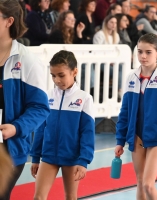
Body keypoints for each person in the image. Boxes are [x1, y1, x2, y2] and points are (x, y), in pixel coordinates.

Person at [114, 33, 157, 200]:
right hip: (136, 136)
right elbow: (125, 112)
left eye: (148, 52)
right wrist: (120, 140)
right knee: (140, 181)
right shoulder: (132, 77)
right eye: (140, 51)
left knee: (148, 185)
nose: (143, 56)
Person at [0, 0, 50, 199]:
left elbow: (40, 108)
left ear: (9, 21)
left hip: (10, 148)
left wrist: (16, 128)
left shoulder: (27, 60)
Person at [30, 50, 95, 200]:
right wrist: (35, 157)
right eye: (53, 75)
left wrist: (83, 160)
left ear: (74, 72)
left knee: (70, 197)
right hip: (48, 156)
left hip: (72, 157)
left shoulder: (84, 99)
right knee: (38, 197)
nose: (57, 80)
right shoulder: (47, 96)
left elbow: (87, 132)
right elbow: (41, 129)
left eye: (61, 75)